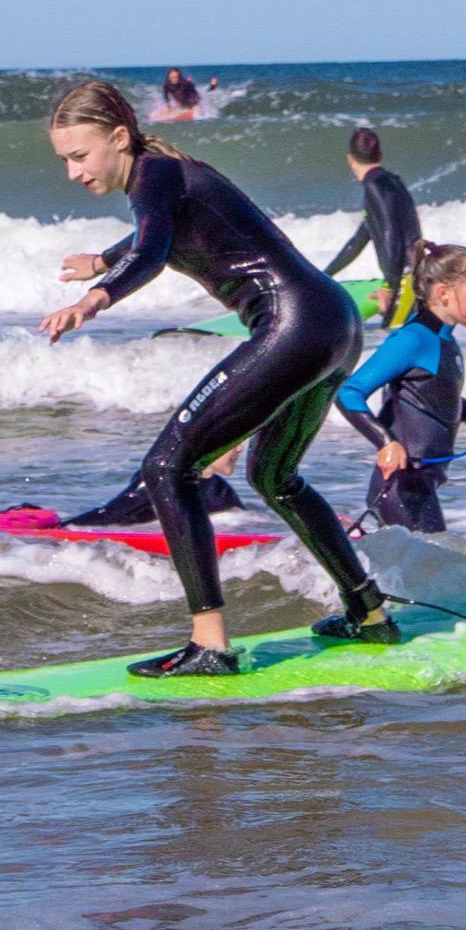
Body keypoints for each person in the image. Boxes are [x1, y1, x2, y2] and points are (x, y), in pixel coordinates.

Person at [39, 79, 398, 677]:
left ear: (119, 138)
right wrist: (103, 260)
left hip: (294, 324)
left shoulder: (153, 174)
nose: (74, 171)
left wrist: (98, 296)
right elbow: (155, 233)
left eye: (80, 155)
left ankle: (210, 644)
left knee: (165, 468)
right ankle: (368, 613)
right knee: (274, 477)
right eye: (65, 160)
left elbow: (152, 253)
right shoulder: (166, 176)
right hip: (332, 322)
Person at [336, 241, 466, 532]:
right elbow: (349, 392)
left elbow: (443, 401)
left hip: (420, 483)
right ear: (443, 294)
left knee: (422, 566)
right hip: (402, 485)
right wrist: (386, 442)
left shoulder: (445, 342)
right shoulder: (413, 339)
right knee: (438, 569)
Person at [324, 127, 420, 327]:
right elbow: (359, 240)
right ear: (380, 154)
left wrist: (389, 287)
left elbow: (391, 234)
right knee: (402, 338)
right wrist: (325, 275)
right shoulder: (390, 183)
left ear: (350, 159)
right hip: (412, 275)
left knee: (397, 339)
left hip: (404, 280)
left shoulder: (376, 187)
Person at [63, 447, 244, 527]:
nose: (240, 449)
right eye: (234, 442)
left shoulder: (218, 489)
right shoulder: (166, 478)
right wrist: (60, 529)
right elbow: (115, 513)